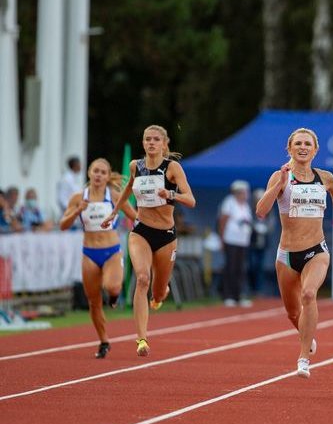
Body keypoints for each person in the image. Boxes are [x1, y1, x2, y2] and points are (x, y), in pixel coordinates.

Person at [255, 127, 333, 378]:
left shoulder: (324, 177)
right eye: (298, 143)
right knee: (292, 312)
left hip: (316, 250)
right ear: (289, 148)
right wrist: (277, 185)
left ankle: (303, 358)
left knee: (309, 294)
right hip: (287, 255)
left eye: (307, 144)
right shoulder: (281, 177)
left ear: (315, 150)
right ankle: (307, 335)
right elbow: (260, 210)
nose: (302, 147)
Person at [101, 125, 196, 357]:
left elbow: (191, 200)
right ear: (143, 143)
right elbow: (127, 191)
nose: (151, 143)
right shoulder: (137, 166)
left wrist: (170, 194)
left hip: (166, 237)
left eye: (156, 139)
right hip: (141, 231)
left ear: (164, 143)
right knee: (142, 278)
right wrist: (115, 212)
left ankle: (160, 293)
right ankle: (141, 339)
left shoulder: (172, 168)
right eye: (147, 139)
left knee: (159, 291)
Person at [59, 158, 137, 358]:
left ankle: (113, 296)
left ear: (108, 176)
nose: (99, 175)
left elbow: (134, 217)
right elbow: (63, 225)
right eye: (96, 171)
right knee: (93, 302)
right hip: (89, 253)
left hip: (111, 250)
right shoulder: (78, 198)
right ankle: (104, 341)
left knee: (112, 286)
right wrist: (78, 210)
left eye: (103, 172)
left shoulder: (115, 196)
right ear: (89, 173)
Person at [218, 180, 253, 307]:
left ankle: (238, 295)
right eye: (244, 192)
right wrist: (221, 239)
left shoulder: (246, 206)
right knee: (230, 268)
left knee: (240, 269)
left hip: (242, 242)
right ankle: (228, 295)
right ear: (237, 192)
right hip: (231, 240)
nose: (246, 194)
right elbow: (223, 221)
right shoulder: (229, 202)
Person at [247, 187, 275, 298]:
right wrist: (254, 227)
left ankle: (258, 289)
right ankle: (252, 288)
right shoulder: (251, 209)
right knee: (252, 265)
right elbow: (249, 220)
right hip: (252, 241)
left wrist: (265, 228)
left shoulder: (269, 210)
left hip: (263, 242)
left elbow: (272, 223)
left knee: (260, 266)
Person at [57, 156, 84, 227]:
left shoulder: (74, 179)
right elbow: (61, 199)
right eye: (80, 164)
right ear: (75, 165)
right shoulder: (66, 179)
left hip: (75, 219)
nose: (81, 166)